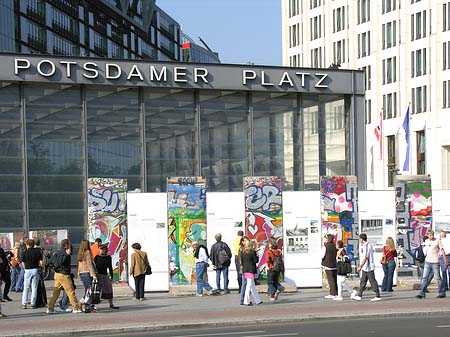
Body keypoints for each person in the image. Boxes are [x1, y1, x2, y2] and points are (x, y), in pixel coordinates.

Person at [47, 239, 83, 314]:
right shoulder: (65, 253)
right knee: (70, 291)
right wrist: (67, 255)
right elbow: (62, 262)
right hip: (64, 274)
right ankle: (75, 307)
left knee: (55, 292)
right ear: (66, 245)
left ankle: (50, 308)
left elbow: (50, 261)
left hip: (57, 274)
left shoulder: (58, 252)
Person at [417, 229, 446, 299]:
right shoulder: (426, 241)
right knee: (424, 277)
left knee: (438, 278)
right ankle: (422, 293)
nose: (431, 237)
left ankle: (442, 292)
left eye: (432, 235)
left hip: (435, 261)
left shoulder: (437, 241)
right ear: (427, 235)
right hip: (427, 261)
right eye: (429, 235)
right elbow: (424, 250)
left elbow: (442, 250)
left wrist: (444, 259)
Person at [352, 233, 381, 301]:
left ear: (362, 239)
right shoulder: (363, 245)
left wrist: (360, 266)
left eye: (360, 239)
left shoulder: (368, 246)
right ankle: (359, 295)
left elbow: (366, 257)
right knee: (363, 281)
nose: (359, 240)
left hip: (369, 267)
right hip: (365, 267)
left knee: (372, 281)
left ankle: (377, 295)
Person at [94, 244, 119, 309]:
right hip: (98, 275)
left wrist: (112, 276)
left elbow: (110, 267)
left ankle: (111, 304)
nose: (100, 250)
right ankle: (93, 304)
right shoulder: (96, 257)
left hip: (105, 275)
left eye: (102, 249)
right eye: (100, 249)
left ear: (105, 250)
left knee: (108, 289)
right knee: (96, 290)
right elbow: (94, 267)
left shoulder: (108, 257)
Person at [21, 239, 43, 309]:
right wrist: (41, 268)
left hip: (27, 270)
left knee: (26, 287)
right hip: (35, 269)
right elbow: (41, 262)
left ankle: (24, 303)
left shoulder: (24, 252)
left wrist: (25, 269)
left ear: (27, 245)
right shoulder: (37, 251)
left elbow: (23, 263)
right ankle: (33, 303)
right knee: (34, 287)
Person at [77, 239, 97, 312]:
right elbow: (89, 264)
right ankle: (83, 304)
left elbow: (79, 264)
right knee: (89, 290)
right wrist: (93, 275)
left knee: (87, 289)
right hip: (87, 272)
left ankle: (87, 305)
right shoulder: (87, 252)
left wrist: (79, 274)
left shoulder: (80, 253)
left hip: (82, 272)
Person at [241, 239, 262, 306]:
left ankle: (257, 300)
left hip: (245, 270)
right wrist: (257, 254)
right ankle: (246, 301)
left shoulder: (243, 251)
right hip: (251, 269)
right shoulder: (252, 251)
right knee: (249, 285)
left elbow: (242, 261)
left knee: (252, 285)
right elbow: (256, 260)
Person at [322, 234, 338, 299]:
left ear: (328, 239)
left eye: (326, 238)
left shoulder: (325, 246)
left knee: (330, 280)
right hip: (334, 264)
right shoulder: (334, 246)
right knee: (334, 279)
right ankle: (336, 292)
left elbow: (322, 255)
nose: (325, 239)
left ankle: (332, 293)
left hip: (328, 265)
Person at [238, 236, 250, 305]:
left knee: (249, 284)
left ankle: (245, 299)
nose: (247, 242)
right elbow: (240, 260)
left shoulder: (246, 248)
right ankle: (242, 299)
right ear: (242, 242)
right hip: (245, 268)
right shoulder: (242, 249)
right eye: (245, 241)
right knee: (245, 283)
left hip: (246, 268)